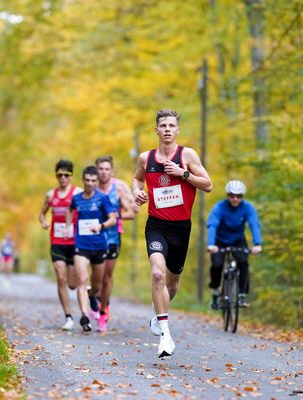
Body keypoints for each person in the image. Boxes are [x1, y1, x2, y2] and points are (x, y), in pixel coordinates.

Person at [132, 109, 213, 357]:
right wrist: (136, 192)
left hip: (181, 227)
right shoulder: (146, 158)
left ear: (177, 130)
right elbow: (137, 179)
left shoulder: (186, 154)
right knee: (157, 274)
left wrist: (183, 173)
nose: (167, 129)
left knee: (172, 284)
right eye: (163, 125)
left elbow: (208, 185)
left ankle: (159, 316)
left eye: (171, 125)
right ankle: (165, 336)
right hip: (156, 225)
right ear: (156, 130)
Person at [65, 165, 117, 333]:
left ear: (96, 181)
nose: (90, 183)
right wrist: (68, 227)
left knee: (97, 285)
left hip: (99, 246)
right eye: (87, 180)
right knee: (82, 279)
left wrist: (100, 226)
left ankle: (92, 295)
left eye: (94, 180)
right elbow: (69, 209)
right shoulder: (77, 198)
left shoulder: (103, 198)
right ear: (83, 180)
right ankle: (85, 316)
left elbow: (113, 220)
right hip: (81, 245)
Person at [93, 155, 139, 332]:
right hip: (93, 239)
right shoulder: (91, 188)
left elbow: (131, 213)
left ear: (111, 172)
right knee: (96, 279)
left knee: (106, 278)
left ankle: (103, 312)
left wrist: (114, 217)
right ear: (96, 170)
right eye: (100, 169)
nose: (103, 172)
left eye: (107, 169)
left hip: (113, 237)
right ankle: (93, 298)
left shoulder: (118, 189)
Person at [39, 159, 83, 331]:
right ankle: (68, 316)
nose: (63, 178)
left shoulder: (77, 193)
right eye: (60, 175)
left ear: (71, 176)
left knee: (73, 283)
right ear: (56, 176)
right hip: (56, 242)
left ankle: (85, 290)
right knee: (61, 278)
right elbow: (41, 214)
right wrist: (43, 222)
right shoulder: (51, 195)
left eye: (66, 175)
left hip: (74, 242)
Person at [207, 180, 262, 309]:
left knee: (243, 263)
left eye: (238, 196)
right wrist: (211, 244)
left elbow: (254, 224)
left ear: (242, 197)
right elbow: (212, 225)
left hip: (238, 239)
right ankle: (215, 293)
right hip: (219, 240)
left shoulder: (248, 208)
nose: (235, 199)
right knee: (217, 265)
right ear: (227, 196)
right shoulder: (219, 207)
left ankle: (242, 295)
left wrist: (257, 244)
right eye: (232, 196)